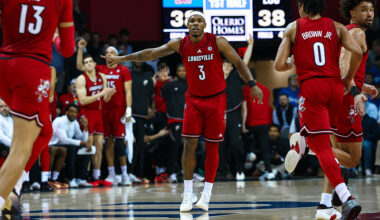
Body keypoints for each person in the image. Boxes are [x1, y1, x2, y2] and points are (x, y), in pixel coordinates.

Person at [104, 11, 263, 212]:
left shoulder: (218, 42)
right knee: (188, 144)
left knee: (213, 148)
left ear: (205, 25)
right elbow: (152, 53)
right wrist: (122, 58)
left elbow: (239, 63)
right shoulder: (180, 43)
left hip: (216, 100)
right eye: (192, 21)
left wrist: (252, 84)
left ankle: (206, 194)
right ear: (187, 25)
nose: (195, 23)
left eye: (199, 21)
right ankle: (188, 194)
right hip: (194, 100)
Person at [273, 0, 364, 219]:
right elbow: (358, 52)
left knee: (322, 145)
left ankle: (346, 198)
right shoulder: (337, 27)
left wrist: (293, 63)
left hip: (312, 89)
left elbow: (278, 64)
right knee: (323, 144)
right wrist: (349, 78)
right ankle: (324, 206)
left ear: (302, 6)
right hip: (334, 90)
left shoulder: (294, 27)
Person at [0, 0, 75, 218]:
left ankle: (16, 183)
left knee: (45, 131)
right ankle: (10, 190)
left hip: (4, 65)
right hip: (32, 70)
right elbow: (68, 49)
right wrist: (54, 37)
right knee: (21, 148)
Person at [77, 39, 132, 186]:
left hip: (119, 111)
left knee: (120, 144)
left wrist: (128, 110)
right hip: (104, 111)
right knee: (107, 143)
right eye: (107, 52)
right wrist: (81, 50)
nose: (109, 54)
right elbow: (81, 67)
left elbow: (128, 92)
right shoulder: (100, 69)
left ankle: (125, 174)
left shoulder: (124, 70)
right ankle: (111, 174)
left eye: (112, 52)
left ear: (117, 55)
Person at [75, 52, 116, 187]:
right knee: (89, 145)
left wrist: (109, 93)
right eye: (85, 62)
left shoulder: (102, 77)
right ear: (84, 65)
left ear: (94, 64)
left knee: (99, 146)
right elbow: (83, 100)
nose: (88, 64)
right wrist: (102, 93)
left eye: (90, 61)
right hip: (86, 113)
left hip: (98, 112)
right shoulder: (81, 79)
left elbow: (105, 99)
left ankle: (96, 176)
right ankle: (83, 176)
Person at [49, 104, 92, 188]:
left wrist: (86, 127)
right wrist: (82, 143)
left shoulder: (75, 123)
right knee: (72, 148)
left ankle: (80, 178)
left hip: (67, 145)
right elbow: (64, 140)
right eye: (71, 111)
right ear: (66, 112)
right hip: (55, 144)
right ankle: (70, 178)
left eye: (75, 112)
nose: (73, 114)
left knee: (87, 149)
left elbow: (82, 138)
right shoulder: (59, 121)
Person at [161, 64, 188, 183]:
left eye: (184, 70)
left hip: (190, 121)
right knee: (174, 148)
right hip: (175, 120)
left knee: (188, 148)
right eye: (179, 70)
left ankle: (186, 172)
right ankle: (172, 173)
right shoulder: (171, 85)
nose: (182, 72)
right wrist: (165, 81)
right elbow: (163, 95)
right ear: (176, 72)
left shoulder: (192, 84)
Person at [0, 99, 12, 169]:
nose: (4, 108)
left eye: (6, 106)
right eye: (1, 107)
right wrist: (13, 144)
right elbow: (1, 137)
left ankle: (32, 179)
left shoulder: (12, 120)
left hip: (11, 143)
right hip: (2, 144)